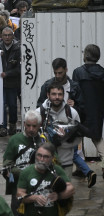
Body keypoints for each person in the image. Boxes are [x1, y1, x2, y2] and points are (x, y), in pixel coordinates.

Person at [36, 58, 95, 186]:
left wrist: (75, 105)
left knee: (69, 157)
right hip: (51, 131)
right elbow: (40, 105)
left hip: (69, 130)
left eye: (60, 73)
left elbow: (83, 109)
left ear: (66, 70)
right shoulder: (47, 85)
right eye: (55, 73)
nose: (58, 76)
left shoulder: (74, 86)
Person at [36, 83, 82, 179]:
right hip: (44, 165)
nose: (57, 97)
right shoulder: (39, 113)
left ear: (63, 95)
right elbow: (31, 137)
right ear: (48, 95)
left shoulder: (72, 113)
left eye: (60, 94)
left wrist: (62, 144)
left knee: (66, 192)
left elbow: (79, 137)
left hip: (66, 163)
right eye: (54, 94)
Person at [3, 110, 44, 215]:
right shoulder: (15, 140)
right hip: (18, 187)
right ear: (24, 124)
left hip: (38, 188)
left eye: (34, 126)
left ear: (39, 125)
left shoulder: (43, 141)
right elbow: (7, 164)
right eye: (28, 125)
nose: (31, 129)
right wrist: (22, 173)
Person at [72, 44, 104, 180]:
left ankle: (79, 168)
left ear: (85, 55)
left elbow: (74, 91)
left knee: (78, 138)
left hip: (81, 110)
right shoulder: (103, 72)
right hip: (96, 110)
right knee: (97, 138)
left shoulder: (78, 72)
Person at [17, 142, 75, 216]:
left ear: (52, 158)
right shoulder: (26, 172)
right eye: (39, 155)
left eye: (46, 157)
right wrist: (34, 198)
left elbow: (71, 189)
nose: (41, 159)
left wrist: (59, 196)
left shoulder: (57, 170)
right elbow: (19, 194)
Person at [0, 27, 21, 137]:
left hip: (13, 83)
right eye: (5, 35)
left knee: (13, 105)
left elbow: (20, 68)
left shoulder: (18, 48)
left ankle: (13, 124)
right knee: (2, 105)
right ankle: (3, 127)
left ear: (13, 36)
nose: (7, 37)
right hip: (0, 83)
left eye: (9, 35)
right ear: (1, 36)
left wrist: (7, 73)